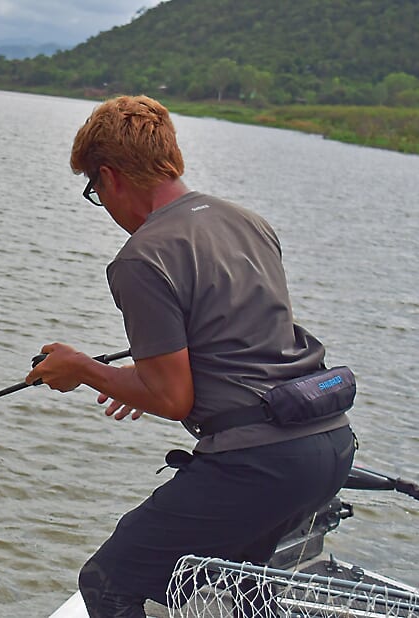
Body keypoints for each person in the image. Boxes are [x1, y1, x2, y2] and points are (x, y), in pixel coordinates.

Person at [25, 95, 355, 618]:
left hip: (260, 460)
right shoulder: (248, 221)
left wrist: (84, 370)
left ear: (109, 177)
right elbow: (239, 348)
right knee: (230, 585)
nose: (102, 205)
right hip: (328, 443)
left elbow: (173, 398)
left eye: (94, 191)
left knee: (108, 583)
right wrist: (132, 379)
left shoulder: (141, 256)